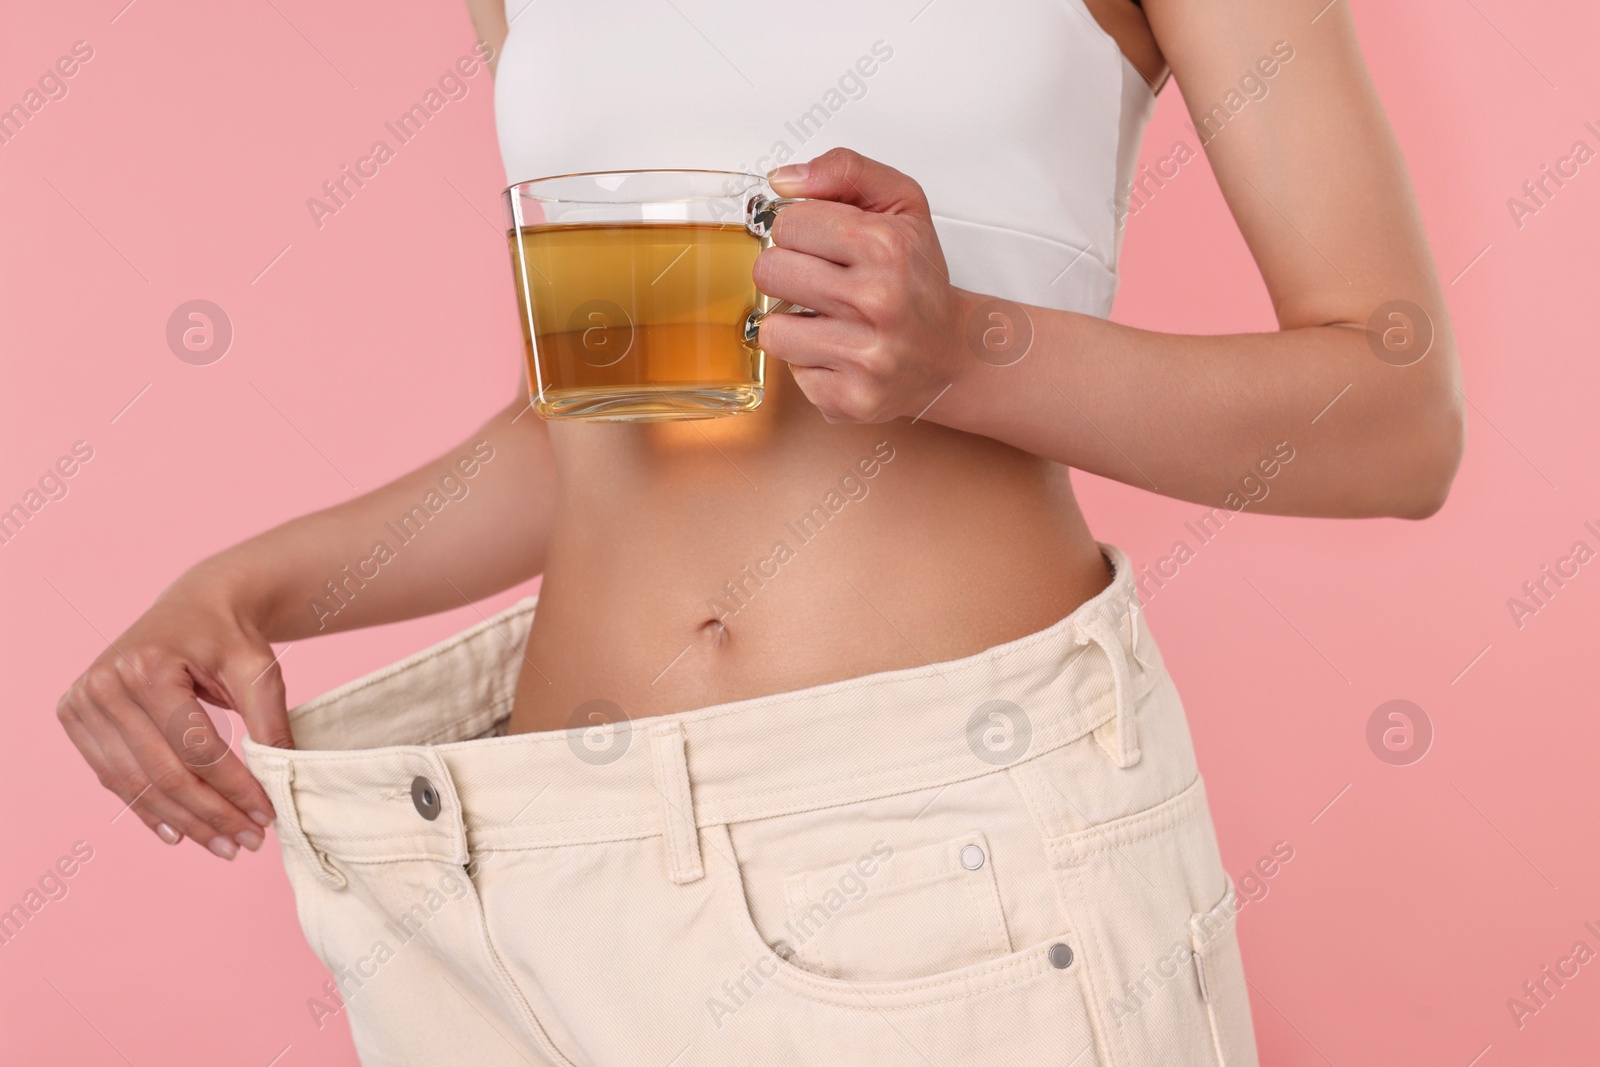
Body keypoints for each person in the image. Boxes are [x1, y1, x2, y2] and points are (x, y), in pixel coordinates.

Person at [56, 0, 1462, 1062]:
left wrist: (968, 352)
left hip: (939, 840)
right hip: (534, 865)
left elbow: (1398, 415)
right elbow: (606, 424)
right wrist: (240, 592)